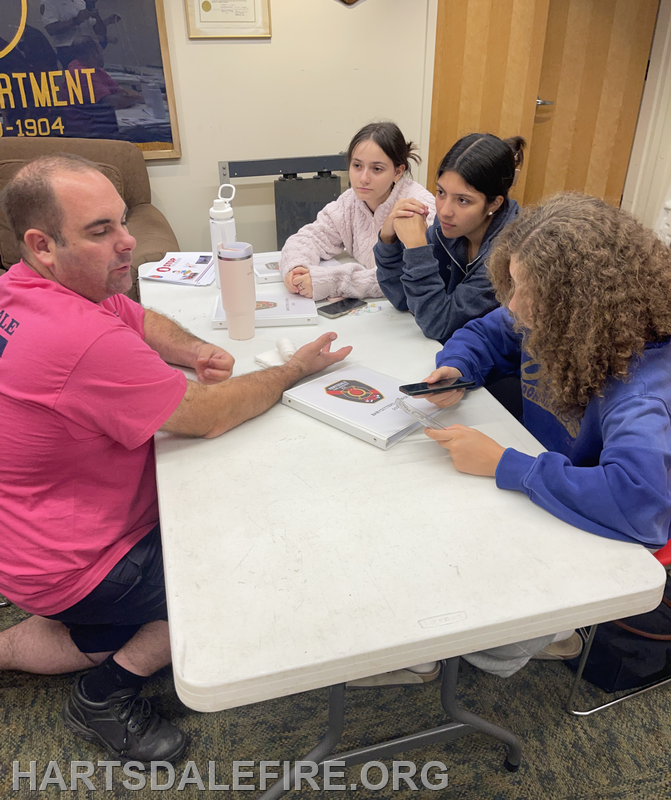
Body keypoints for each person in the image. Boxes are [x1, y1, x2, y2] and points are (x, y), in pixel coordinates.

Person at [0, 154, 352, 763]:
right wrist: (292, 371)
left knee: (100, 632)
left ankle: (71, 637)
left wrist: (191, 348)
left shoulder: (28, 285)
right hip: (77, 559)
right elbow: (208, 416)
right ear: (42, 244)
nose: (127, 242)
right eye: (100, 230)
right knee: (243, 567)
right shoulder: (79, 341)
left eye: (120, 221)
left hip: (29, 534)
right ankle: (105, 695)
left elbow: (129, 313)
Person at [417, 193, 671, 675]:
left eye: (523, 292)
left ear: (580, 303)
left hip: (596, 522)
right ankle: (539, 631)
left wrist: (505, 464)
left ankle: (543, 632)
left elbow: (640, 504)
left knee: (482, 647)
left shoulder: (641, 392)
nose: (513, 305)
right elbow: (488, 332)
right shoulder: (558, 318)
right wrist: (457, 366)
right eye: (511, 284)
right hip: (546, 481)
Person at [374, 132, 525, 344]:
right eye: (441, 192)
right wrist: (388, 240)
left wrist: (417, 249)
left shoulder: (509, 253)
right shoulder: (450, 228)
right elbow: (403, 299)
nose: (444, 211)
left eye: (463, 200)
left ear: (494, 204)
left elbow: (439, 325)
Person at [279, 121, 435, 301]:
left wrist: (333, 282)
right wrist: (296, 269)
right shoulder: (351, 200)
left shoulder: (417, 208)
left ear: (398, 172)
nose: (363, 179)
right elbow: (308, 238)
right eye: (357, 166)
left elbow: (402, 278)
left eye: (377, 169)